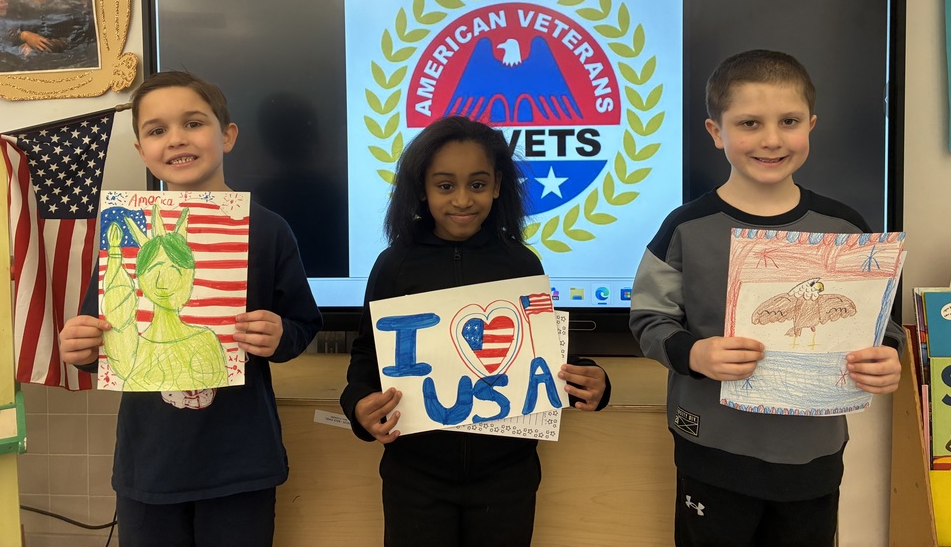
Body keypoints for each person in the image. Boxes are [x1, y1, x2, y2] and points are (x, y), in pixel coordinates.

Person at [629, 49, 904, 547]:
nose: (772, 139)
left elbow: (880, 324)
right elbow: (649, 318)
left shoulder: (845, 229)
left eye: (789, 121)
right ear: (716, 132)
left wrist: (887, 356)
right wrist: (694, 353)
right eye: (750, 123)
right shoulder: (685, 228)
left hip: (812, 455)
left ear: (811, 125)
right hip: (712, 448)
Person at [58, 70, 322, 547]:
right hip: (150, 465)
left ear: (227, 135)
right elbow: (103, 336)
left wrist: (281, 335)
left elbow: (304, 324)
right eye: (157, 130)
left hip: (241, 462)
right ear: (141, 150)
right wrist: (80, 345)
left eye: (193, 123)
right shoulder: (124, 233)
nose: (176, 139)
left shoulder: (268, 230)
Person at [340, 115, 611, 547]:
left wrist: (591, 381)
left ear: (498, 186)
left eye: (478, 184)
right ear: (422, 190)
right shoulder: (394, 266)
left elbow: (545, 356)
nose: (463, 200)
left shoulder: (522, 264)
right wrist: (357, 405)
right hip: (415, 478)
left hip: (507, 480)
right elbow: (365, 355)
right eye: (445, 185)